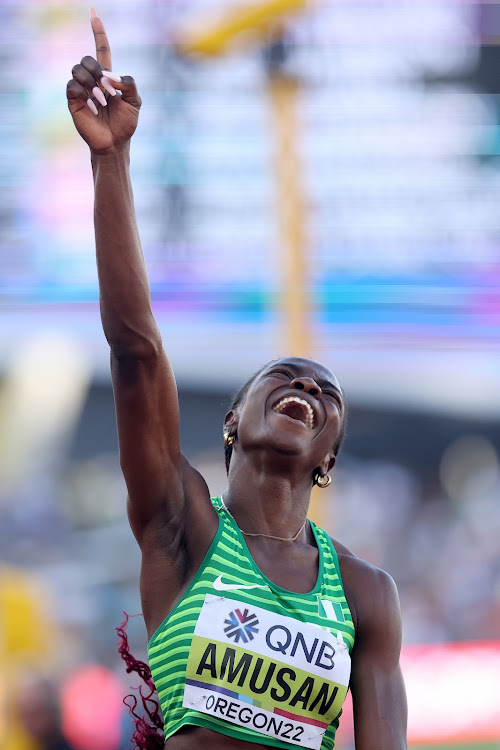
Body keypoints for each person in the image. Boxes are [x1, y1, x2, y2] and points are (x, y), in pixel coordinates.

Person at [66, 10, 408, 750]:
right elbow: (135, 350)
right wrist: (111, 160)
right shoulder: (180, 524)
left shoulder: (365, 595)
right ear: (233, 421)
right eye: (285, 377)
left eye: (327, 396)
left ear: (330, 458)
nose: (308, 390)